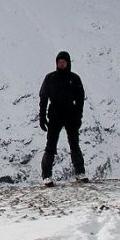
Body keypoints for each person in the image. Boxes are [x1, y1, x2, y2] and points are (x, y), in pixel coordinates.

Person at [38, 51, 86, 187]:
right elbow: (43, 98)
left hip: (70, 115)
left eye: (64, 62)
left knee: (74, 144)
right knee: (50, 146)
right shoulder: (50, 78)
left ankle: (80, 173)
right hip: (54, 115)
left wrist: (78, 116)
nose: (62, 64)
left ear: (68, 63)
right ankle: (46, 176)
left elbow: (80, 99)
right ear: (56, 63)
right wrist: (42, 116)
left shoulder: (75, 79)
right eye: (59, 62)